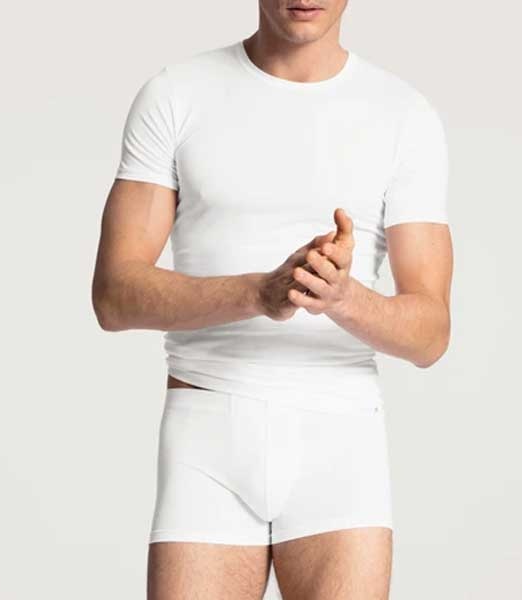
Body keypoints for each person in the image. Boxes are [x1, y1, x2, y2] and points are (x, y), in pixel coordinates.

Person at [91, 1, 453, 598]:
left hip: (340, 440)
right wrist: (259, 292)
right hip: (208, 433)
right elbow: (114, 294)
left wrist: (341, 297)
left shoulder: (403, 115)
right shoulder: (177, 94)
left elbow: (431, 334)